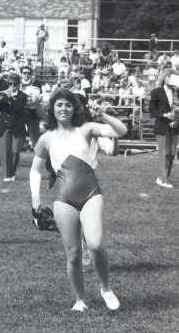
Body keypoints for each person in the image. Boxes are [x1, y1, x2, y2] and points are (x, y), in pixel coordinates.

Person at [29, 89, 127, 312]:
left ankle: (105, 287)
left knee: (95, 243)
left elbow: (121, 131)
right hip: (63, 198)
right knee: (73, 254)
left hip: (91, 194)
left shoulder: (86, 128)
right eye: (59, 105)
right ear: (52, 108)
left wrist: (104, 115)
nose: (64, 109)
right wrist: (35, 202)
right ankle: (80, 299)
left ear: (75, 108)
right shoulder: (46, 138)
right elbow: (35, 171)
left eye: (68, 105)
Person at [0, 73, 28, 186]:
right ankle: (6, 175)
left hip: (17, 127)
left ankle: (12, 173)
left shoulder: (23, 96)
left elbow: (18, 109)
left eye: (14, 84)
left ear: (18, 85)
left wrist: (9, 98)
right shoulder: (4, 94)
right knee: (4, 152)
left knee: (15, 152)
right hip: (4, 126)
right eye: (10, 84)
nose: (12, 86)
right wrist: (0, 100)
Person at [149, 70, 179, 188]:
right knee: (164, 153)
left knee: (171, 154)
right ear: (165, 78)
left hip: (175, 127)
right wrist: (164, 115)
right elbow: (152, 110)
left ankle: (163, 177)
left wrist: (176, 120)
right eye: (171, 77)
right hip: (162, 126)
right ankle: (164, 179)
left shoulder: (177, 92)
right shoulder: (156, 92)